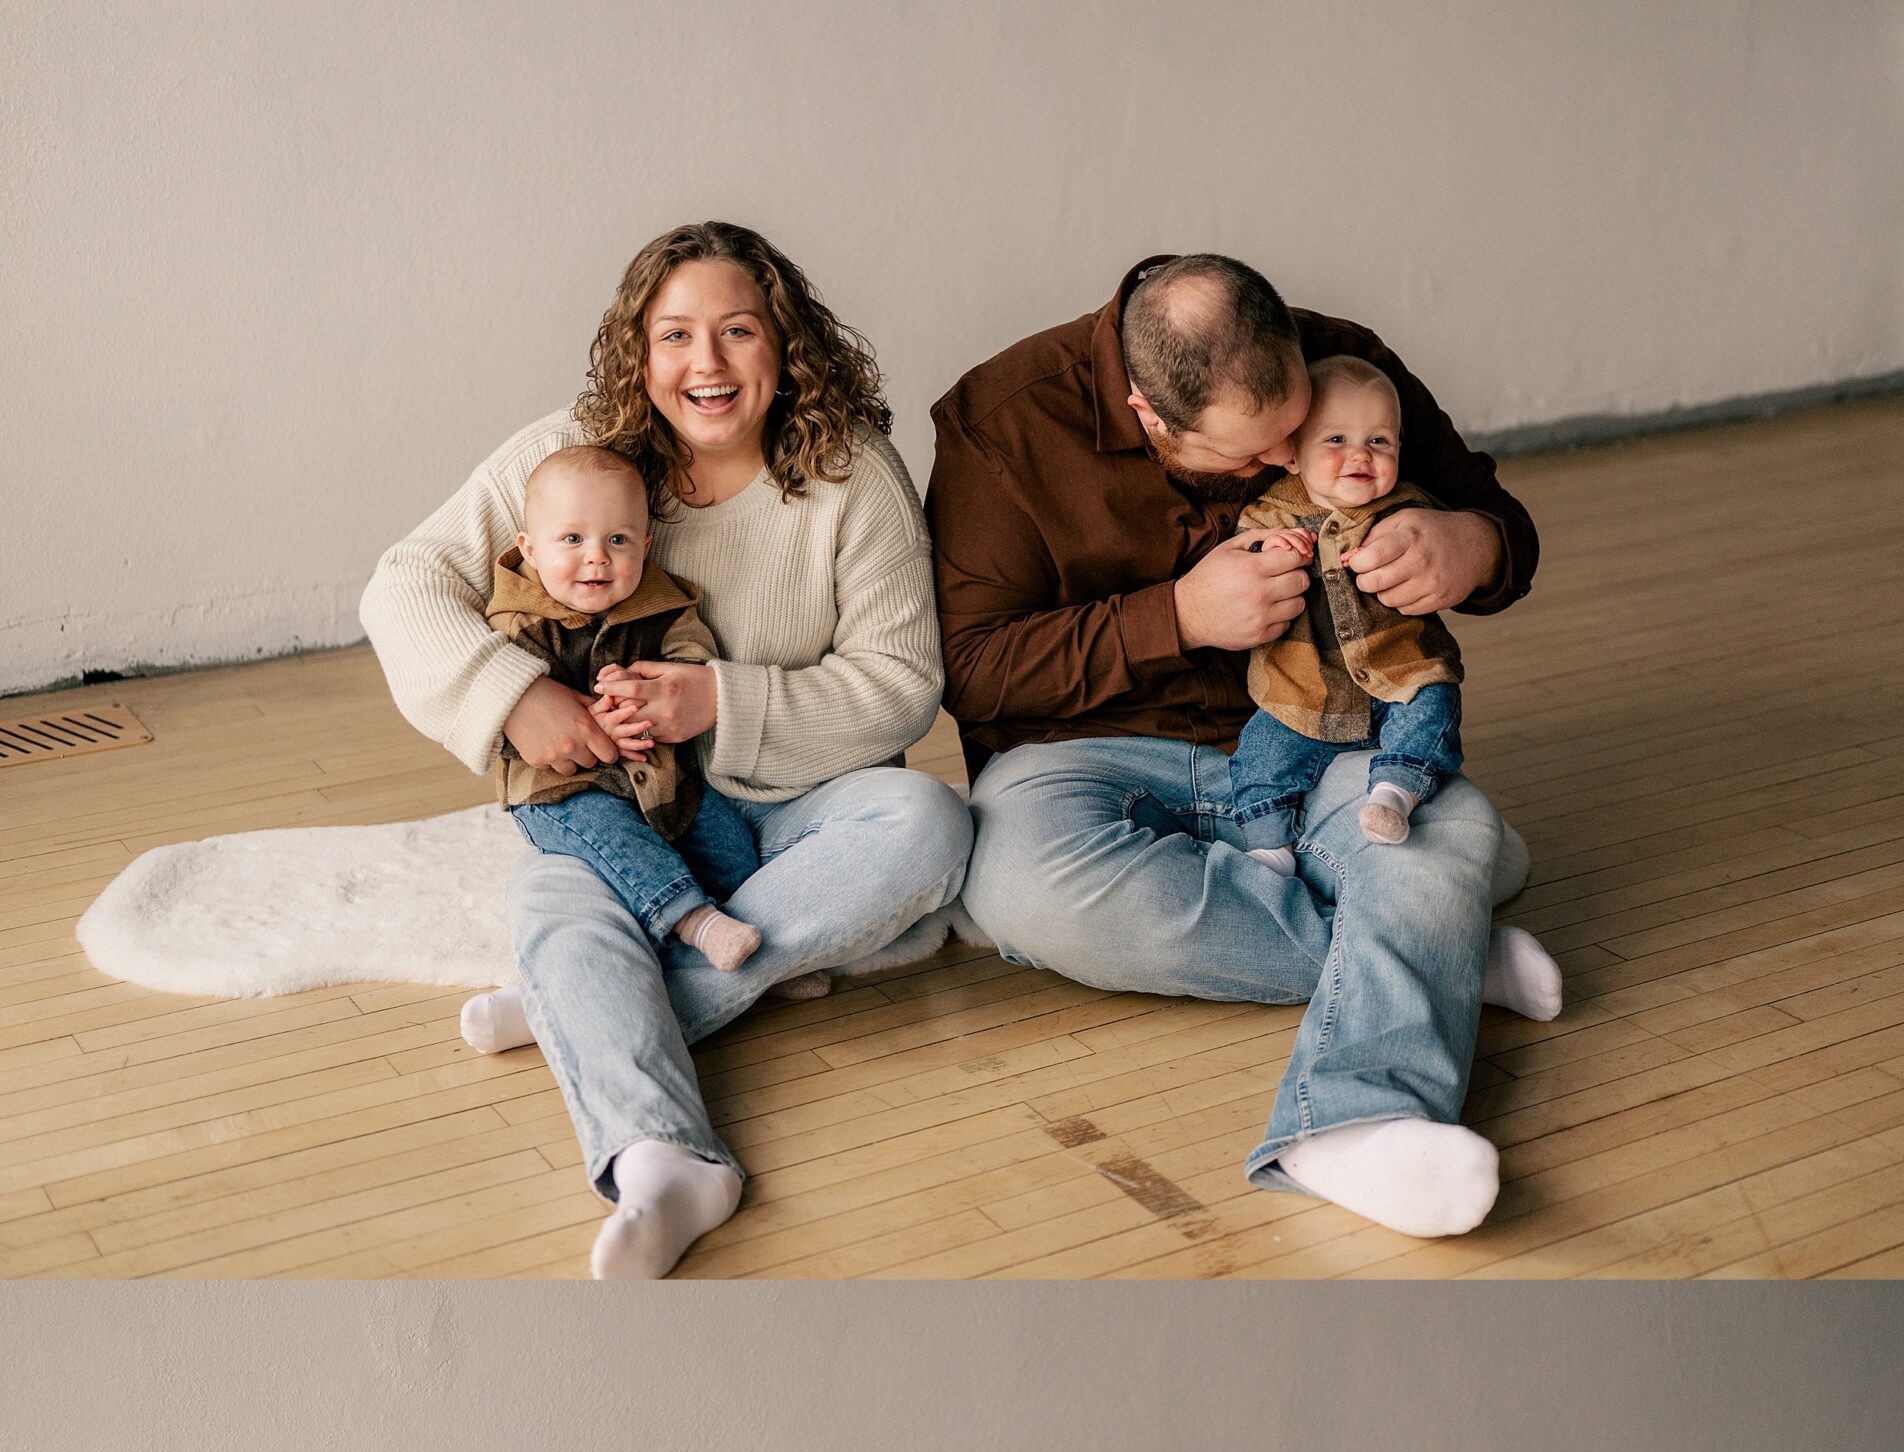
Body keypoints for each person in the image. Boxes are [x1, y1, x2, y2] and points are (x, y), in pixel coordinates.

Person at [363, 222, 971, 1280]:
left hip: (795, 815)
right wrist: (517, 697)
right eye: (675, 335)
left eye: (738, 331)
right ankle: (665, 1160)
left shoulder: (852, 478)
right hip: (634, 805)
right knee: (555, 894)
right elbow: (404, 584)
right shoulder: (574, 455)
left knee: (927, 823)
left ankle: (589, 1008)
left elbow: (903, 683)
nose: (707, 363)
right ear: (638, 354)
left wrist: (717, 702)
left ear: (785, 346)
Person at [928, 252, 1563, 1242]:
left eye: (1293, 435)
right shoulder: (1001, 422)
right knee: (1015, 882)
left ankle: (1349, 1123)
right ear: (1148, 412)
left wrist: (1466, 546)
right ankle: (1433, 947)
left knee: (1455, 826)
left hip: (1320, 732)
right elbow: (969, 668)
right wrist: (1174, 614)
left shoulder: (1347, 362)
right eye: (1250, 455)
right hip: (1091, 757)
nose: (1281, 466)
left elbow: (1502, 527)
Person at [484, 444, 764, 977]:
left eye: (618, 539)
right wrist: (593, 718)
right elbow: (500, 720)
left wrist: (655, 688)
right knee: (621, 845)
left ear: (646, 544)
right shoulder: (516, 625)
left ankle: (759, 955)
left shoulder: (662, 603)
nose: (597, 556)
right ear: (531, 548)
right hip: (563, 792)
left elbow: (693, 657)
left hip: (660, 774)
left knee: (729, 844)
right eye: (571, 539)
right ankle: (696, 923)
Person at [1229, 355, 1466, 865]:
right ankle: (1268, 846)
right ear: (1291, 453)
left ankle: (1394, 794)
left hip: (1398, 671)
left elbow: (1437, 552)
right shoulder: (1269, 514)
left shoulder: (1407, 509)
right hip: (1301, 689)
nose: (1359, 454)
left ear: (1399, 448)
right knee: (1259, 752)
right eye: (1335, 440)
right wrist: (1268, 552)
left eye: (1378, 440)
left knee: (1434, 704)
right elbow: (1240, 566)